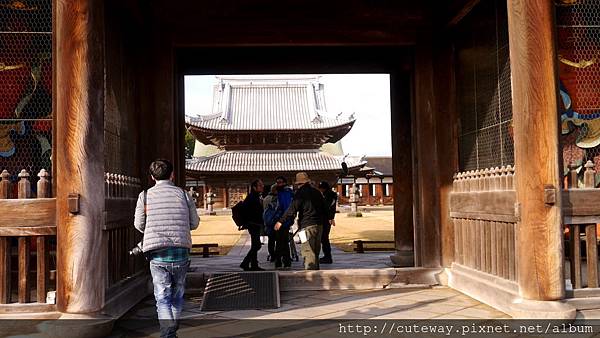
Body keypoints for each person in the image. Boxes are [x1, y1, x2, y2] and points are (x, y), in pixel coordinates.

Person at [134, 159, 200, 338]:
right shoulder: (184, 195)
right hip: (180, 251)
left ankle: (168, 333)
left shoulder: (145, 196)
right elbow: (194, 223)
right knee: (178, 294)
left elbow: (139, 224)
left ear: (152, 177)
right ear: (172, 175)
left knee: (162, 297)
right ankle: (171, 330)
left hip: (157, 254)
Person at [275, 172, 327, 270]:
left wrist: (281, 221)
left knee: (307, 250)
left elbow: (292, 208)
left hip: (306, 226)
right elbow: (324, 208)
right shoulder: (317, 192)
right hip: (319, 225)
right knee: (315, 251)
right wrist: (329, 218)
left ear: (299, 183)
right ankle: (316, 271)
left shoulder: (300, 193)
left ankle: (311, 273)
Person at [240, 179, 265, 271]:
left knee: (255, 244)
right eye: (260, 185)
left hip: (255, 223)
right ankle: (245, 262)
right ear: (254, 187)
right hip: (253, 224)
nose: (262, 187)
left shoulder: (255, 196)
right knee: (257, 245)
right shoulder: (252, 197)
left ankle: (254, 264)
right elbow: (251, 212)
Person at [274, 176, 294, 268]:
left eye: (281, 182)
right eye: (277, 182)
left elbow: (287, 208)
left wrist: (281, 220)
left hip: (283, 221)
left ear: (285, 183)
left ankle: (283, 261)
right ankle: (284, 261)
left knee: (281, 242)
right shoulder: (280, 192)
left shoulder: (286, 193)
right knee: (282, 241)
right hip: (280, 220)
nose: (279, 184)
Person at [318, 181, 338, 264]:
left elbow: (327, 207)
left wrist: (330, 217)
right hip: (328, 218)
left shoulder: (328, 195)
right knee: (324, 238)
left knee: (324, 238)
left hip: (325, 219)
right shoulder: (331, 195)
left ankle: (327, 256)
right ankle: (327, 256)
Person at [263, 183, 278, 262]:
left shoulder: (266, 198)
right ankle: (278, 256)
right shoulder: (277, 198)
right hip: (276, 222)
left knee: (271, 240)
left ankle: (272, 255)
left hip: (268, 222)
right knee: (279, 240)